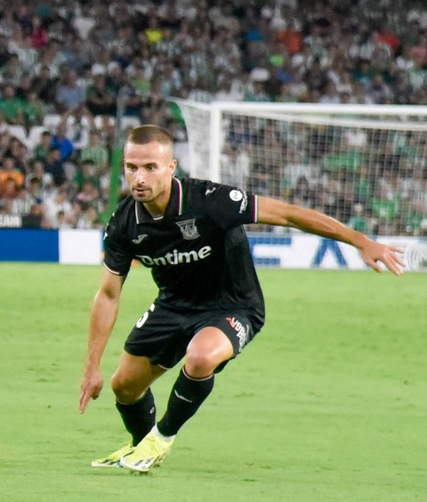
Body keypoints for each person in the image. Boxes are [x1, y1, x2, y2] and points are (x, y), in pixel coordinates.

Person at [78, 125, 406, 473]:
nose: (138, 177)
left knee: (201, 356)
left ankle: (163, 438)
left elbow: (289, 214)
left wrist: (361, 241)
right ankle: (141, 447)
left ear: (172, 166)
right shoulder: (124, 225)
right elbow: (108, 295)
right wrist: (91, 367)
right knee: (123, 386)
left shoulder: (209, 201)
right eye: (131, 167)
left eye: (150, 167)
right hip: (173, 305)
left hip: (233, 305)